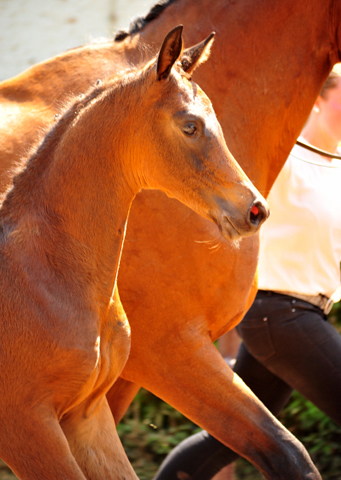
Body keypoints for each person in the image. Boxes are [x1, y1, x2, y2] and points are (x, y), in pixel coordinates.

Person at [153, 66, 341, 480]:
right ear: (318, 100)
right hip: (280, 314)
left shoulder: (338, 171)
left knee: (227, 439)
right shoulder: (283, 157)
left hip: (303, 315)